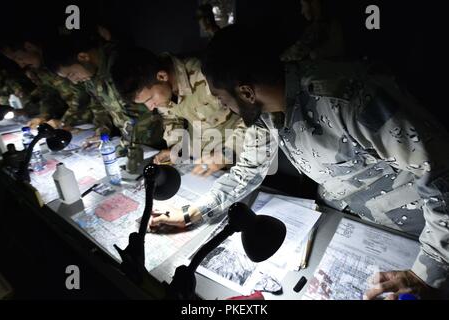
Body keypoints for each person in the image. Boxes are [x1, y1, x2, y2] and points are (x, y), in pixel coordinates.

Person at [150, 26, 449, 299]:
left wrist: (426, 274)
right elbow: (249, 170)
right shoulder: (263, 112)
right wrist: (195, 212)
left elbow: (441, 176)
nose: (221, 106)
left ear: (245, 92)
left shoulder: (349, 98)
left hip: (418, 230)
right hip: (346, 217)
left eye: (221, 97)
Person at [111, 47, 246, 176]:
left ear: (162, 76)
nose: (151, 107)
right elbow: (171, 119)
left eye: (150, 99)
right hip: (205, 162)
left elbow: (255, 117)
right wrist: (175, 150)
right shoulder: (161, 89)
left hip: (243, 158)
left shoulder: (207, 75)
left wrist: (225, 155)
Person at [44, 33, 166, 150]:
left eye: (72, 74)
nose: (74, 82)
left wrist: (129, 145)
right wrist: (102, 132)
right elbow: (99, 106)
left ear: (83, 57)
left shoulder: (122, 62)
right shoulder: (89, 75)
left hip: (157, 139)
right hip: (132, 141)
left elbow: (146, 110)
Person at [0, 36, 101, 130]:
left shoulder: (63, 58)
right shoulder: (40, 70)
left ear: (29, 47)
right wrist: (43, 116)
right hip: (82, 123)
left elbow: (83, 95)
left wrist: (63, 122)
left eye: (19, 58)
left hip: (93, 119)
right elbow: (48, 93)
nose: (21, 64)